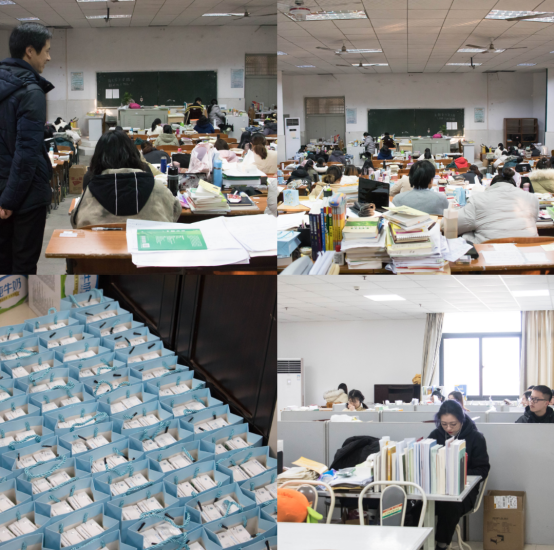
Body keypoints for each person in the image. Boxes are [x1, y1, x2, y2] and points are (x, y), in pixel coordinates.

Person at [0, 23, 54, 275]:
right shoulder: (31, 92)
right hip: (25, 196)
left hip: (4, 191)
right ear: (30, 51)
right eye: (47, 51)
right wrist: (9, 201)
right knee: (22, 268)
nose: (49, 57)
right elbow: (26, 154)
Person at [70, 130, 181, 229]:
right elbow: (175, 211)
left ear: (97, 158)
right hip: (148, 245)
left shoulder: (89, 192)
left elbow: (75, 222)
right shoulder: (157, 188)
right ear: (134, 154)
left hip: (102, 245)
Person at [427, 401, 490, 550]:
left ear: (462, 420)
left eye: (453, 424)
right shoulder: (435, 435)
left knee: (450, 505)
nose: (448, 428)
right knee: (417, 505)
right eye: (444, 424)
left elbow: (483, 469)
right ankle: (419, 543)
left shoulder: (476, 437)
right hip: (436, 489)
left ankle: (441, 545)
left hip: (465, 491)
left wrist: (457, 471)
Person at [455, 167, 539, 244]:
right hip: (529, 248)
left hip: (489, 249)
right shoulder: (531, 198)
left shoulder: (478, 199)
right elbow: (532, 221)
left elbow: (455, 224)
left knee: (467, 231)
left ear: (491, 186)